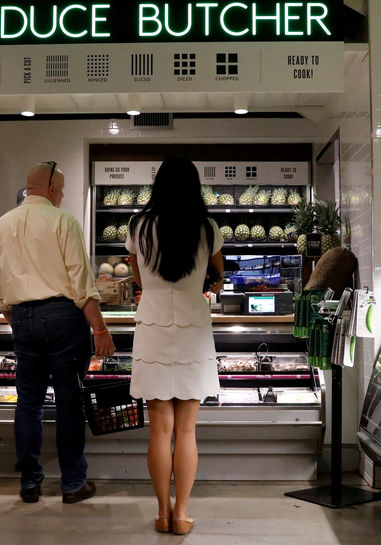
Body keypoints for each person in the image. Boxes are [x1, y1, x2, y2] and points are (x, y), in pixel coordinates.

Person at [0, 161, 115, 505]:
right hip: (63, 317)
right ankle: (73, 483)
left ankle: (30, 482)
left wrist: (17, 319)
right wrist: (100, 328)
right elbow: (82, 285)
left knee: (28, 403)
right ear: (54, 190)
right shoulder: (64, 221)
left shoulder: (1, 225)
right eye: (63, 190)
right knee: (68, 402)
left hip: (22, 317)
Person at [125, 156, 223, 536]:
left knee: (159, 430)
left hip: (151, 327)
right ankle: (182, 513)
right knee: (186, 431)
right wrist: (207, 288)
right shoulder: (207, 227)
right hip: (194, 329)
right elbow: (217, 278)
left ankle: (162, 511)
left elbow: (137, 277)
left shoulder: (138, 225)